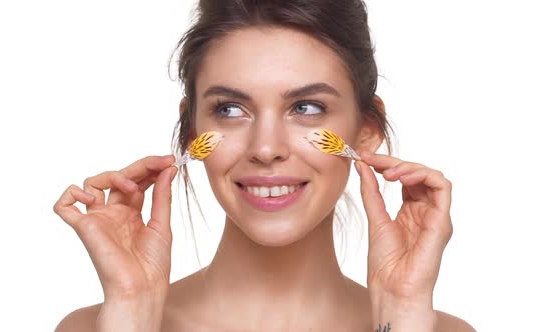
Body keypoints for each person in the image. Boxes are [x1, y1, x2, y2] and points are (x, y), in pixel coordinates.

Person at [53, 0, 475, 331]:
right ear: (190, 132)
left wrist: (398, 313)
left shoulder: (427, 327)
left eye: (306, 107)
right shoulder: (96, 328)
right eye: (231, 109)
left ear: (365, 130)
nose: (266, 148)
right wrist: (132, 312)